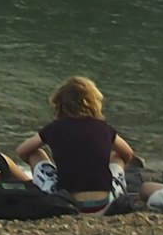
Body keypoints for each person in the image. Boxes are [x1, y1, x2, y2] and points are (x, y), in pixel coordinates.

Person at [18, 76, 135, 211]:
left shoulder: (55, 127)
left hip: (68, 201)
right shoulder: (103, 127)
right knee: (116, 156)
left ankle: (42, 189)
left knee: (36, 153)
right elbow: (128, 153)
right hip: (105, 203)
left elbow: (22, 151)